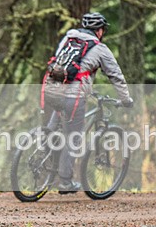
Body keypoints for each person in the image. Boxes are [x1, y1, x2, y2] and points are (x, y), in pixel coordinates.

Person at [41, 12, 133, 193]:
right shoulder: (100, 49)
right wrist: (126, 99)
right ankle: (65, 182)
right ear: (99, 31)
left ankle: (44, 162)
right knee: (73, 137)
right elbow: (116, 75)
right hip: (73, 96)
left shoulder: (68, 37)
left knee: (55, 126)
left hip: (51, 89)